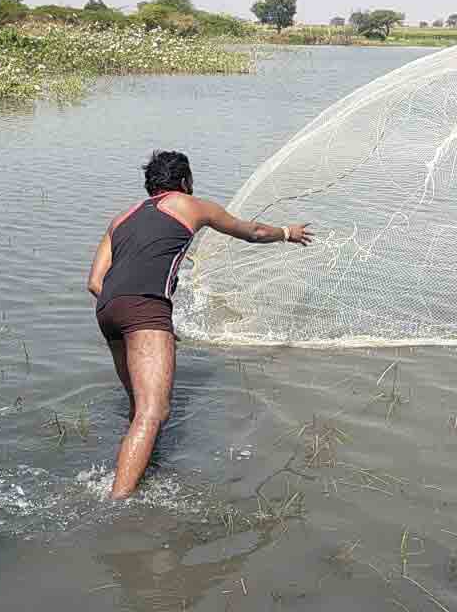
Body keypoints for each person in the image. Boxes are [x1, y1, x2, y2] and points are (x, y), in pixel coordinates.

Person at [87, 150, 313, 499]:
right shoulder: (190, 205)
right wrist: (287, 232)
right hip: (144, 309)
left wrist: (135, 315)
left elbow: (94, 281)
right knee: (153, 411)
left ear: (150, 185)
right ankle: (118, 506)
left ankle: (139, 470)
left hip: (108, 310)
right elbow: (250, 231)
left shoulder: (121, 218)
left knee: (138, 407)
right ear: (185, 182)